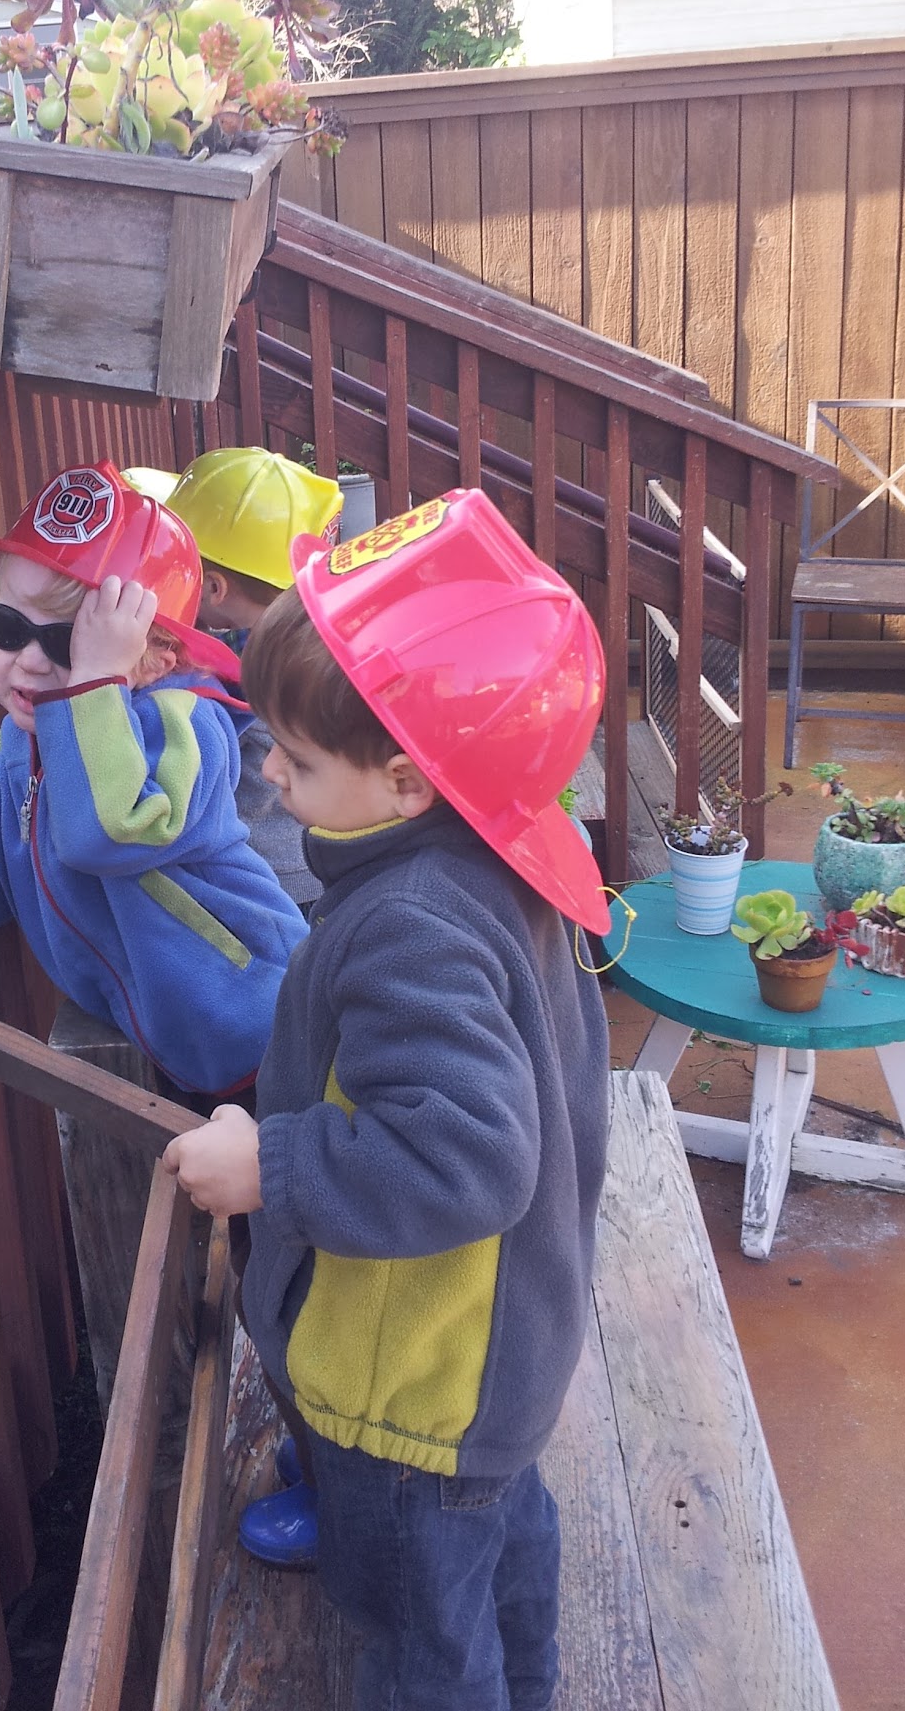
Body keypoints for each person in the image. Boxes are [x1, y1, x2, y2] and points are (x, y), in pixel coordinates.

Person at [162, 489, 614, 1711]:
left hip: (415, 1389)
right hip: (493, 1369)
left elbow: (464, 1155)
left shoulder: (413, 924)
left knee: (421, 1642)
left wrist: (270, 1165)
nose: (269, 768)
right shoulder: (494, 852)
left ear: (410, 782)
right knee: (496, 1556)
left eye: (299, 758)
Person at [0, 460, 307, 1100]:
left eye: (70, 644)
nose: (31, 661)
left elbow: (110, 832)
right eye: (8, 629)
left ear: (155, 660)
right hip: (171, 1041)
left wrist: (94, 681)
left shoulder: (184, 724)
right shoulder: (8, 754)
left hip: (269, 1028)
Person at [166, 448, 343, 909]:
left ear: (213, 587)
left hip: (265, 871)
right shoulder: (312, 633)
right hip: (311, 853)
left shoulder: (248, 663)